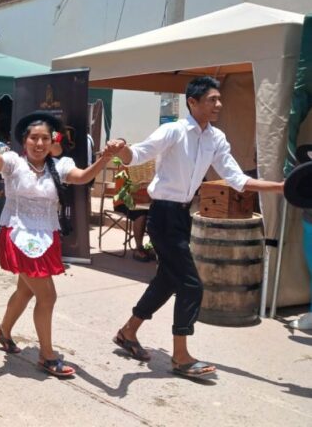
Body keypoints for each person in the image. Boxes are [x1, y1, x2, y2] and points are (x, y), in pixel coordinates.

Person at [107, 76, 284, 378]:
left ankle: (128, 331)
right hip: (162, 215)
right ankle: (180, 356)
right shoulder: (174, 130)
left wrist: (280, 187)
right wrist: (119, 148)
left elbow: (236, 179)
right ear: (193, 102)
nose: (219, 104)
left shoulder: (216, 138)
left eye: (219, 99)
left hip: (181, 215)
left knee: (168, 279)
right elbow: (136, 155)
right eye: (212, 99)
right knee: (191, 284)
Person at [0, 107, 118, 378]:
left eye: (45, 138)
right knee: (48, 295)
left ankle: (3, 331)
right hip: (18, 234)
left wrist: (104, 159)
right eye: (33, 138)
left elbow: (84, 176)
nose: (39, 143)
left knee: (25, 291)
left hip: (47, 236)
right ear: (24, 141)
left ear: (52, 140)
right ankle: (47, 355)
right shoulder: (13, 162)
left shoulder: (60, 166)